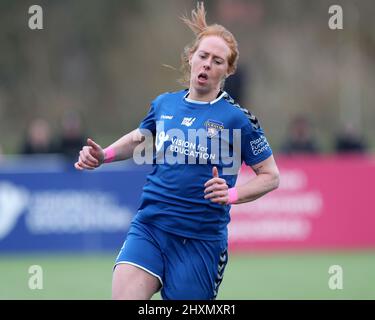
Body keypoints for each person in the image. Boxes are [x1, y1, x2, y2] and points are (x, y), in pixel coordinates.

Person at [75, 2, 279, 300]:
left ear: (228, 70)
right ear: (191, 58)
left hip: (200, 242)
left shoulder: (238, 119)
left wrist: (232, 195)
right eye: (203, 56)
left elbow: (270, 176)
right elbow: (140, 138)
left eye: (218, 61)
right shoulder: (164, 104)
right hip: (151, 226)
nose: (208, 64)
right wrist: (103, 155)